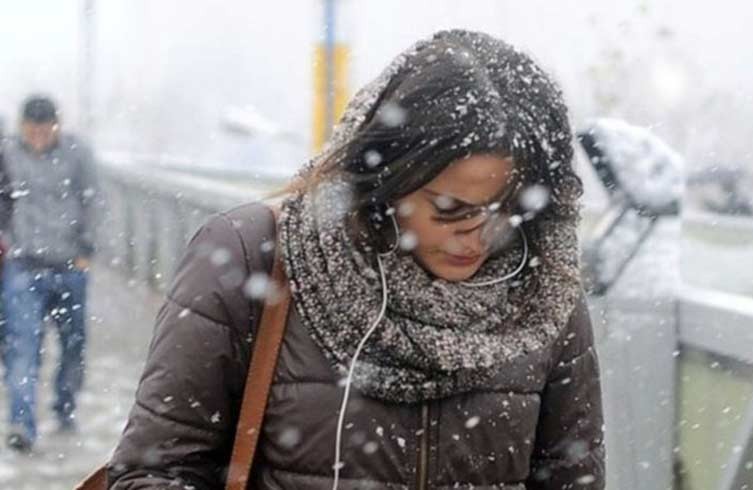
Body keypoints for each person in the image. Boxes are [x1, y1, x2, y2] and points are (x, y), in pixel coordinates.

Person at [109, 30, 605, 489]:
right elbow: (155, 472)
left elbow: (572, 479)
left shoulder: (542, 288)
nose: (478, 237)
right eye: (450, 209)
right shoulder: (253, 255)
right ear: (388, 179)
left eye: (509, 210)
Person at [0, 95, 99, 451]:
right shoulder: (7, 153)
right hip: (23, 266)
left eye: (45, 128)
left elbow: (93, 200)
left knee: (74, 345)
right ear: (22, 126)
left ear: (57, 124)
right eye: (32, 128)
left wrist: (86, 249)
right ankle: (22, 424)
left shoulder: (78, 154)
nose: (38, 134)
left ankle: (65, 407)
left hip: (70, 265)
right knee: (23, 347)